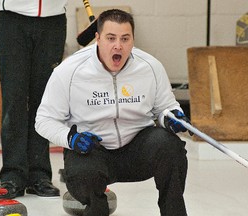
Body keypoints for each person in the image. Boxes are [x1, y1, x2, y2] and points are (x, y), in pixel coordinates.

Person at [36, 9, 192, 215]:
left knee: (171, 147)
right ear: (98, 39)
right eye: (111, 38)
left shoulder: (150, 67)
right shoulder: (69, 71)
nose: (118, 45)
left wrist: (171, 117)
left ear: (133, 40)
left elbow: (165, 107)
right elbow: (44, 120)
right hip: (92, 150)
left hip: (137, 148)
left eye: (125, 39)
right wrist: (71, 138)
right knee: (84, 175)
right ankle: (96, 209)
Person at [0, 0, 67, 199]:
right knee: (14, 99)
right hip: (13, 18)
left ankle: (39, 175)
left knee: (44, 101)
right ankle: (12, 175)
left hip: (53, 20)